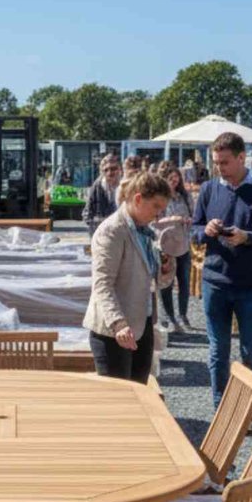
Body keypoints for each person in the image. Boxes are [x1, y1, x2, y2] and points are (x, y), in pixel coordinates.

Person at [192, 131, 252, 405]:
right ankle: (220, 408)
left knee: (251, 354)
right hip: (215, 282)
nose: (218, 168)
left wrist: (250, 237)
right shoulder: (210, 189)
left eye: (224, 162)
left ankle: (248, 413)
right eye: (216, 163)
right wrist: (206, 231)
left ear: (242, 157)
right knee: (218, 352)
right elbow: (195, 231)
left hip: (250, 285)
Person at [85, 171, 175, 381]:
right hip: (113, 332)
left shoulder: (145, 231)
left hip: (142, 326)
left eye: (162, 209)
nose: (159, 215)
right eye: (155, 207)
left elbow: (155, 281)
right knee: (118, 403)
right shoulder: (112, 231)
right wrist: (118, 323)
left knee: (140, 395)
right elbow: (102, 284)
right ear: (137, 199)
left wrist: (165, 268)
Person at [155, 164, 194, 331]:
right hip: (165, 245)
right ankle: (171, 318)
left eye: (176, 179)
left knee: (184, 281)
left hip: (183, 243)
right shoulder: (158, 198)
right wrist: (174, 219)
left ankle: (183, 315)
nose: (174, 182)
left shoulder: (184, 197)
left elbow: (194, 216)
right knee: (167, 283)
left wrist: (188, 220)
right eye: (171, 179)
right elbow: (154, 221)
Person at [82, 155, 122, 233]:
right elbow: (87, 213)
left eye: (113, 169)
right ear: (101, 172)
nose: (110, 173)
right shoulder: (97, 186)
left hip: (121, 232)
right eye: (106, 170)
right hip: (102, 232)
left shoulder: (125, 186)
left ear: (120, 169)